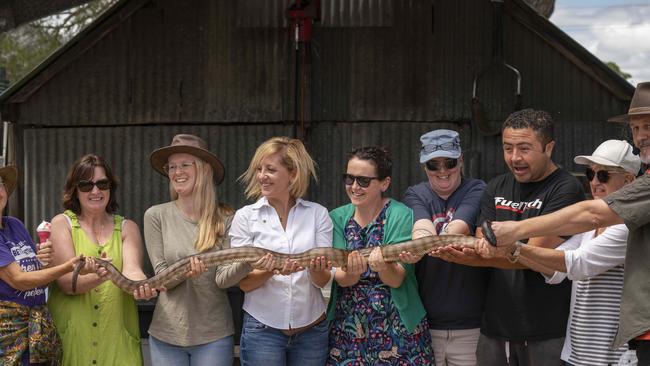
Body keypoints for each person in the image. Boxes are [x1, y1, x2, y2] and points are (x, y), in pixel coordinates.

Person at [486, 82, 650, 366]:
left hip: (616, 354)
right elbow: (559, 267)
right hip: (580, 352)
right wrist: (516, 248)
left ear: (629, 182)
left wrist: (515, 237)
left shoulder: (626, 222)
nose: (594, 181)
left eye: (604, 175)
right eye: (590, 173)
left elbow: (579, 258)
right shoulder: (593, 225)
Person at [435, 109, 585, 365]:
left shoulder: (566, 188)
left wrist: (470, 257)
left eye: (524, 148)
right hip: (494, 326)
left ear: (548, 148)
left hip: (546, 329)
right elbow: (483, 245)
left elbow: (534, 257)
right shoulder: (495, 186)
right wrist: (479, 252)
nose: (514, 157)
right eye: (507, 148)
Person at [227, 136, 333, 366]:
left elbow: (323, 280)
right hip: (262, 331)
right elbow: (243, 283)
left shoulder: (317, 215)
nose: (261, 176)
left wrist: (316, 269)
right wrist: (272, 270)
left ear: (293, 174)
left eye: (270, 170)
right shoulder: (245, 217)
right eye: (259, 169)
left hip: (311, 330)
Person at [327, 146, 434, 365]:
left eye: (364, 181)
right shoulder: (336, 217)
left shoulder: (400, 214)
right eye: (349, 179)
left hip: (397, 324)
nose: (355, 187)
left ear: (384, 183)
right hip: (349, 325)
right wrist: (350, 271)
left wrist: (383, 266)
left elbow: (396, 278)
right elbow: (341, 277)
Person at [48, 154, 154, 366]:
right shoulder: (62, 224)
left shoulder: (127, 227)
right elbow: (68, 283)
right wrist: (103, 276)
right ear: (75, 191)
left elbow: (133, 272)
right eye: (86, 185)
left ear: (110, 188)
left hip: (116, 340)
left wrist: (142, 287)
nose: (95, 191)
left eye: (102, 184)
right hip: (74, 337)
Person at [144, 134, 236, 366]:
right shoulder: (156, 215)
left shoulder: (225, 218)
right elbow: (160, 278)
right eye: (172, 166)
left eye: (185, 164)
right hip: (166, 335)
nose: (177, 172)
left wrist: (249, 259)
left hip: (214, 336)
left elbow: (225, 280)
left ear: (205, 170)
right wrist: (186, 271)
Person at [401, 129, 488, 366]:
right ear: (424, 167)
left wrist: (421, 246)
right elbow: (422, 228)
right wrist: (418, 243)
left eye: (449, 162)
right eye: (433, 165)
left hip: (471, 325)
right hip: (424, 324)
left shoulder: (477, 189)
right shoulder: (415, 193)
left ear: (461, 160)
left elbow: (456, 229)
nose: (442, 171)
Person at [0, 165, 84, 366]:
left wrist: (45, 261)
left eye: (0, 185)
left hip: (37, 332)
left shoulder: (14, 225)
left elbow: (38, 279)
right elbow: (19, 280)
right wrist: (67, 267)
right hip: (9, 338)